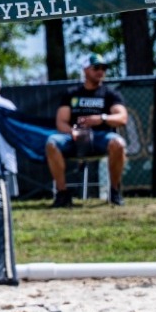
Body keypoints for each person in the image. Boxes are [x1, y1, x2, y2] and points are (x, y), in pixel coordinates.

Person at [45, 58, 128, 207]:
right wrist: (72, 131)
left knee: (118, 143)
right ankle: (62, 193)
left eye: (103, 68)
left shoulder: (110, 94)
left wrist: (101, 118)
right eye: (96, 67)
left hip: (101, 137)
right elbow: (60, 122)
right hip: (73, 138)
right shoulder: (72, 94)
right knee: (51, 143)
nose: (100, 71)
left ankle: (114, 191)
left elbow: (122, 117)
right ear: (85, 70)